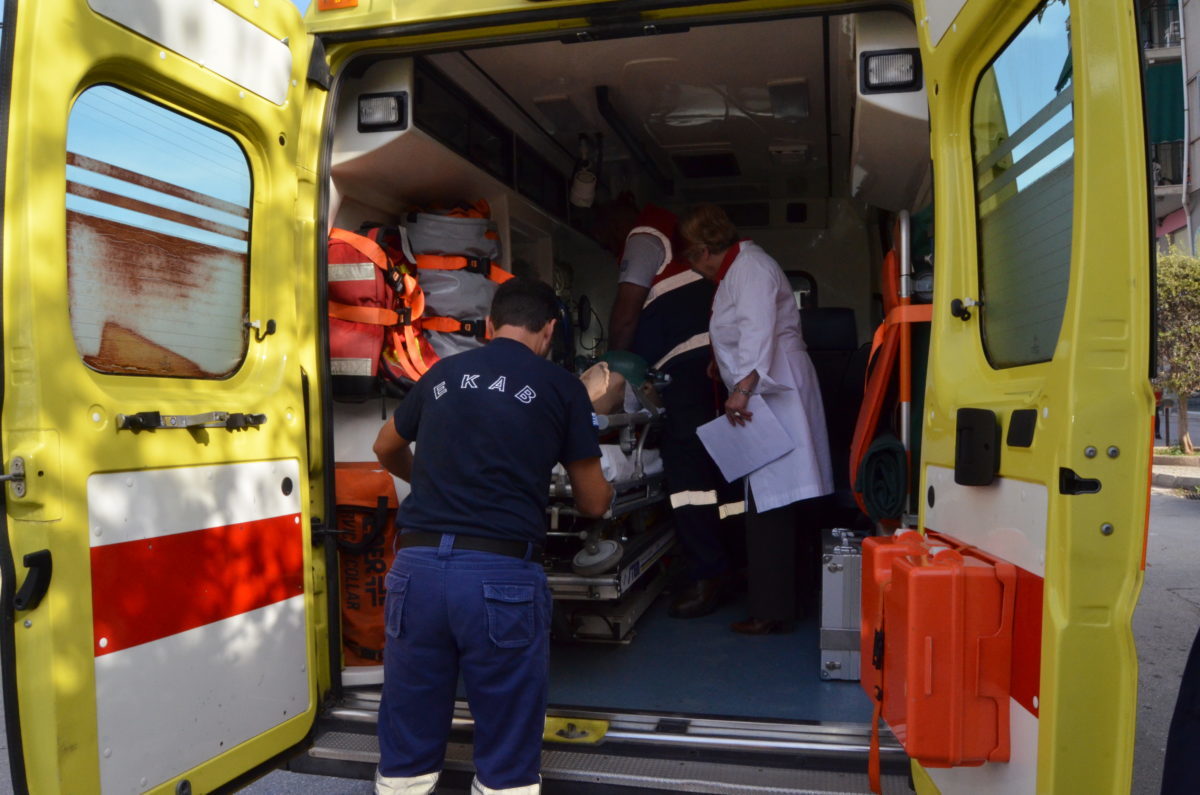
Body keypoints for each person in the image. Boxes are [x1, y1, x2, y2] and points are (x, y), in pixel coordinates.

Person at [372, 277, 613, 795]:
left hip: (416, 572)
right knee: (506, 735)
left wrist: (430, 483)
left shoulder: (440, 375)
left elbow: (384, 446)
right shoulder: (560, 387)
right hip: (498, 576)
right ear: (548, 331)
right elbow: (593, 502)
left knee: (408, 723)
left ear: (488, 325)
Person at [679, 203, 833, 635]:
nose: (693, 266)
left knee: (771, 500)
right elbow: (741, 333)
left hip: (773, 393)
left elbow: (758, 331)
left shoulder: (749, 269)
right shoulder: (741, 270)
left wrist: (742, 387)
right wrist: (723, 366)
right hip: (770, 388)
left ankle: (771, 611)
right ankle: (780, 603)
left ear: (704, 249)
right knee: (770, 498)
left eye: (691, 256)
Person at [594, 195, 741, 619]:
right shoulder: (669, 238)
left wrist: (608, 372)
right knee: (722, 470)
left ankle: (707, 576)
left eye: (605, 237)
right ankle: (734, 564)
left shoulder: (643, 236)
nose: (608, 246)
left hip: (689, 367)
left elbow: (626, 314)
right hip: (712, 365)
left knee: (688, 473)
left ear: (616, 220)